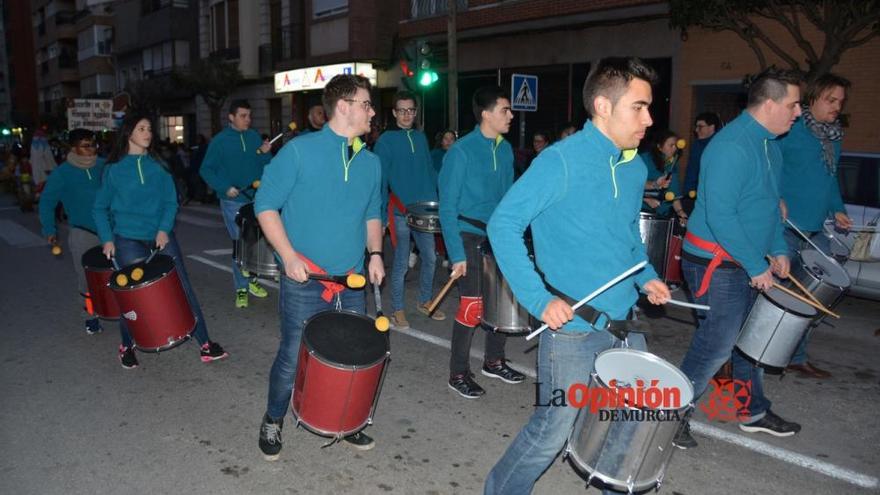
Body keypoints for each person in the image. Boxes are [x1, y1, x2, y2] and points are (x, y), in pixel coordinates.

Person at [483, 57, 670, 494]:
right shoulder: (560, 162)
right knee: (554, 427)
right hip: (572, 328)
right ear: (603, 106)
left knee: (627, 425)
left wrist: (646, 276)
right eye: (638, 107)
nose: (650, 118)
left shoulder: (635, 166)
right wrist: (537, 298)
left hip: (623, 324)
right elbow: (503, 224)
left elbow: (625, 234)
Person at [254, 74, 385, 459]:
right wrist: (289, 257)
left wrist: (375, 253)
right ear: (343, 107)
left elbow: (372, 213)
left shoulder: (371, 162)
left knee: (353, 357)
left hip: (352, 280)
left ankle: (347, 421)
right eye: (366, 104)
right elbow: (265, 206)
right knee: (294, 353)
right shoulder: (298, 152)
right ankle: (273, 418)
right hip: (306, 279)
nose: (372, 111)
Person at [674, 68, 803, 449]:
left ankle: (753, 412)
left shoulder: (770, 146)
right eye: (793, 104)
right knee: (716, 344)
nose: (798, 112)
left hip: (743, 258)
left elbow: (768, 209)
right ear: (769, 104)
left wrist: (777, 248)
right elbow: (721, 215)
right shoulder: (731, 146)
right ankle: (670, 414)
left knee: (750, 341)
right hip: (715, 261)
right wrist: (756, 264)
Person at [93, 113, 228, 369]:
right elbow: (100, 208)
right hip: (127, 239)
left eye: (150, 129)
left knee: (183, 288)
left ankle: (205, 344)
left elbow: (170, 201)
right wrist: (107, 239)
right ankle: (127, 346)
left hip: (160, 238)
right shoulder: (113, 171)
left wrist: (164, 229)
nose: (148, 133)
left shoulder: (159, 166)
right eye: (142, 128)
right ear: (129, 133)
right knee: (131, 295)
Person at [438, 85, 526, 399]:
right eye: (505, 110)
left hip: (497, 235)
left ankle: (493, 360)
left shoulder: (504, 149)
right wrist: (455, 252)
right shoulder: (460, 152)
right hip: (467, 233)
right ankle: (458, 372)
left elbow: (507, 198)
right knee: (472, 305)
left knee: (501, 301)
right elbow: (447, 206)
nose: (511, 115)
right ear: (486, 114)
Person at [780, 73, 853, 379]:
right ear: (813, 98)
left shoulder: (833, 137)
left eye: (841, 102)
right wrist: (774, 198)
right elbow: (768, 168)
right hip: (785, 229)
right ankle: (748, 358)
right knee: (773, 297)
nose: (837, 107)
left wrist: (837, 209)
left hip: (816, 233)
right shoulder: (791, 130)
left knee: (814, 298)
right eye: (831, 99)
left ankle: (796, 357)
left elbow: (829, 177)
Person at [375, 91, 445, 329]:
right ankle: (397, 309)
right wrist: (382, 213)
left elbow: (429, 172)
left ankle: (424, 301)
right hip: (400, 211)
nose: (406, 115)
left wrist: (441, 199)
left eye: (411, 110)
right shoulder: (385, 140)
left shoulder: (421, 137)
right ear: (394, 113)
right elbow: (380, 180)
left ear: (415, 113)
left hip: (424, 211)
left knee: (431, 258)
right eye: (402, 110)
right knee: (402, 263)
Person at [200, 99, 272, 309]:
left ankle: (252, 281)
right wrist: (223, 187)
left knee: (257, 242)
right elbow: (206, 169)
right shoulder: (220, 141)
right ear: (231, 117)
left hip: (257, 197)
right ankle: (241, 287)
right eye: (243, 116)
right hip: (233, 200)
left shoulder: (253, 137)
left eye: (249, 116)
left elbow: (262, 165)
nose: (247, 120)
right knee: (241, 243)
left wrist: (265, 153)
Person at [39, 129, 106, 335]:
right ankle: (90, 316)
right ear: (74, 148)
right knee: (86, 278)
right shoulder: (62, 173)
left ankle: (121, 310)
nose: (92, 149)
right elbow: (47, 203)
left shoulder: (105, 166)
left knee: (117, 273)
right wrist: (49, 230)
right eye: (86, 145)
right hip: (82, 232)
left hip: (110, 231)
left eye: (94, 144)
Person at [641, 129, 688, 224]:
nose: (674, 148)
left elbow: (673, 191)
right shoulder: (644, 159)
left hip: (663, 214)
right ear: (659, 147)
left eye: (676, 145)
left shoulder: (672, 164)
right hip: (642, 212)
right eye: (671, 145)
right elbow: (630, 185)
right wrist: (646, 199)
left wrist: (680, 211)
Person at [682, 112, 722, 199]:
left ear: (712, 127)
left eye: (700, 127)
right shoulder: (697, 145)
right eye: (696, 127)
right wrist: (687, 192)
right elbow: (692, 170)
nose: (696, 130)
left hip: (711, 195)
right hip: (693, 194)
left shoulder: (720, 146)